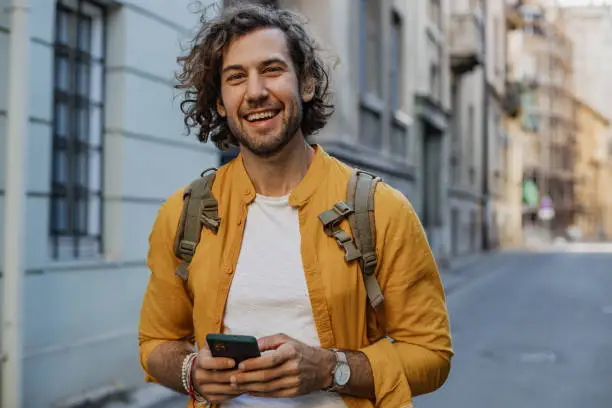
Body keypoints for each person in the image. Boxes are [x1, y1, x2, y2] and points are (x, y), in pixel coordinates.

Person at [138, 3, 453, 408]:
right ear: (219, 102)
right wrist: (190, 371)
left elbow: (432, 355)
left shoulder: (380, 210)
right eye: (236, 77)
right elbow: (155, 343)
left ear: (305, 83)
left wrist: (331, 369)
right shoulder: (183, 214)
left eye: (271, 70)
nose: (255, 92)